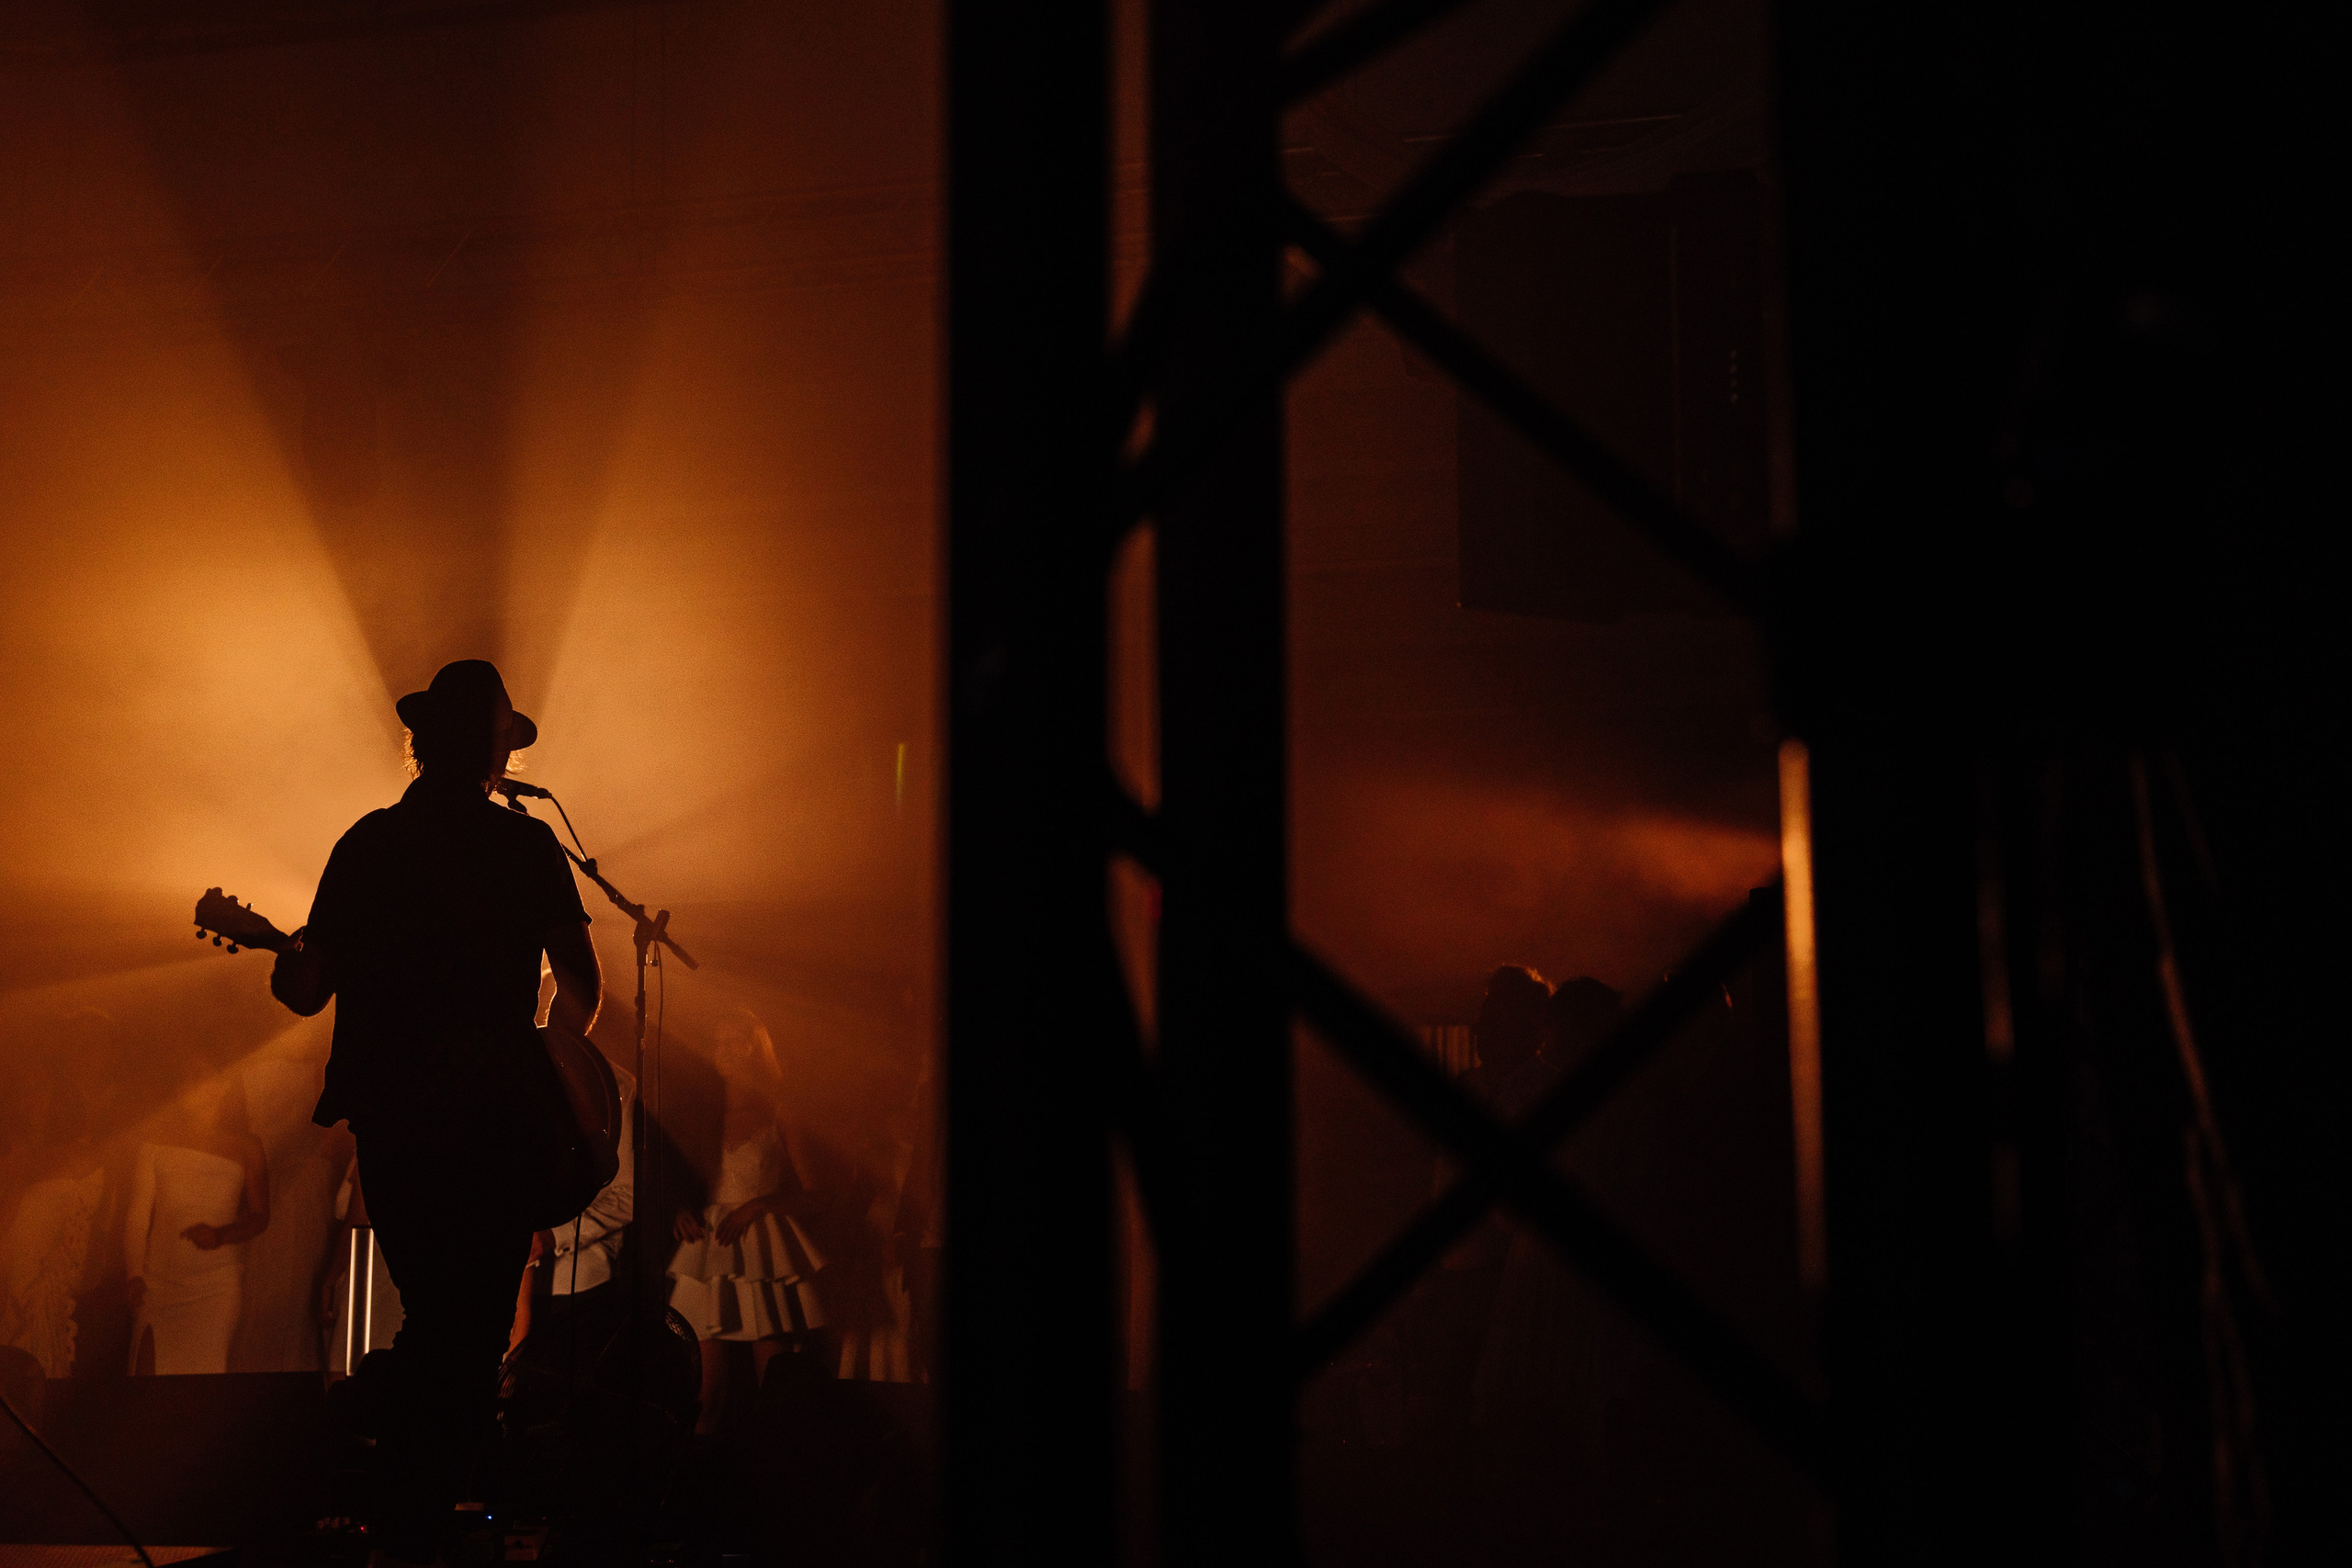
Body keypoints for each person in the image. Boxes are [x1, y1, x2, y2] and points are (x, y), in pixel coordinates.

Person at [269, 659, 601, 1567]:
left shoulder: (368, 847)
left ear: (420, 744)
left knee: (440, 1318)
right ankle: (404, 1496)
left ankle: (396, 1487)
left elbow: (306, 991)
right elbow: (582, 983)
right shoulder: (527, 850)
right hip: (498, 1127)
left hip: (403, 1123)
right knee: (470, 1324)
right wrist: (546, 1049)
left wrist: (286, 960)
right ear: (495, 752)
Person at [666, 1010, 829, 1434]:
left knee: (776, 1386)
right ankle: (698, 1486)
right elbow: (690, 1181)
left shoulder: (780, 1112)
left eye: (739, 1041)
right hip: (710, 1248)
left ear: (757, 1049)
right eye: (721, 1041)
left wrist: (759, 1206)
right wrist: (682, 1210)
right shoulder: (706, 1111)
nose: (728, 1051)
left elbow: (817, 1196)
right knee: (707, 1394)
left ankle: (777, 1483)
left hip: (763, 1250)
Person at [125, 1073, 269, 1375]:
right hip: (159, 1282)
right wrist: (134, 1273)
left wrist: (220, 1235)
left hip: (215, 1287)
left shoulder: (247, 1146)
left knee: (201, 1384)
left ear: (223, 1086)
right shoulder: (155, 1141)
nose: (191, 1088)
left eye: (202, 1079)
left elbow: (260, 1216)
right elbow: (138, 1214)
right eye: (187, 1081)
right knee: (145, 1378)